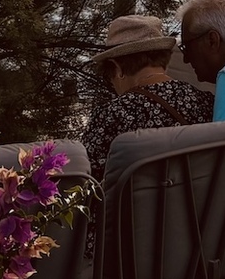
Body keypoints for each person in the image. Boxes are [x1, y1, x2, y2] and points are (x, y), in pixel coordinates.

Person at [81, 14, 214, 173]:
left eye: (108, 75)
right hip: (200, 197)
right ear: (164, 58)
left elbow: (88, 181)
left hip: (137, 198)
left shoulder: (110, 116)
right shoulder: (206, 102)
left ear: (117, 68)